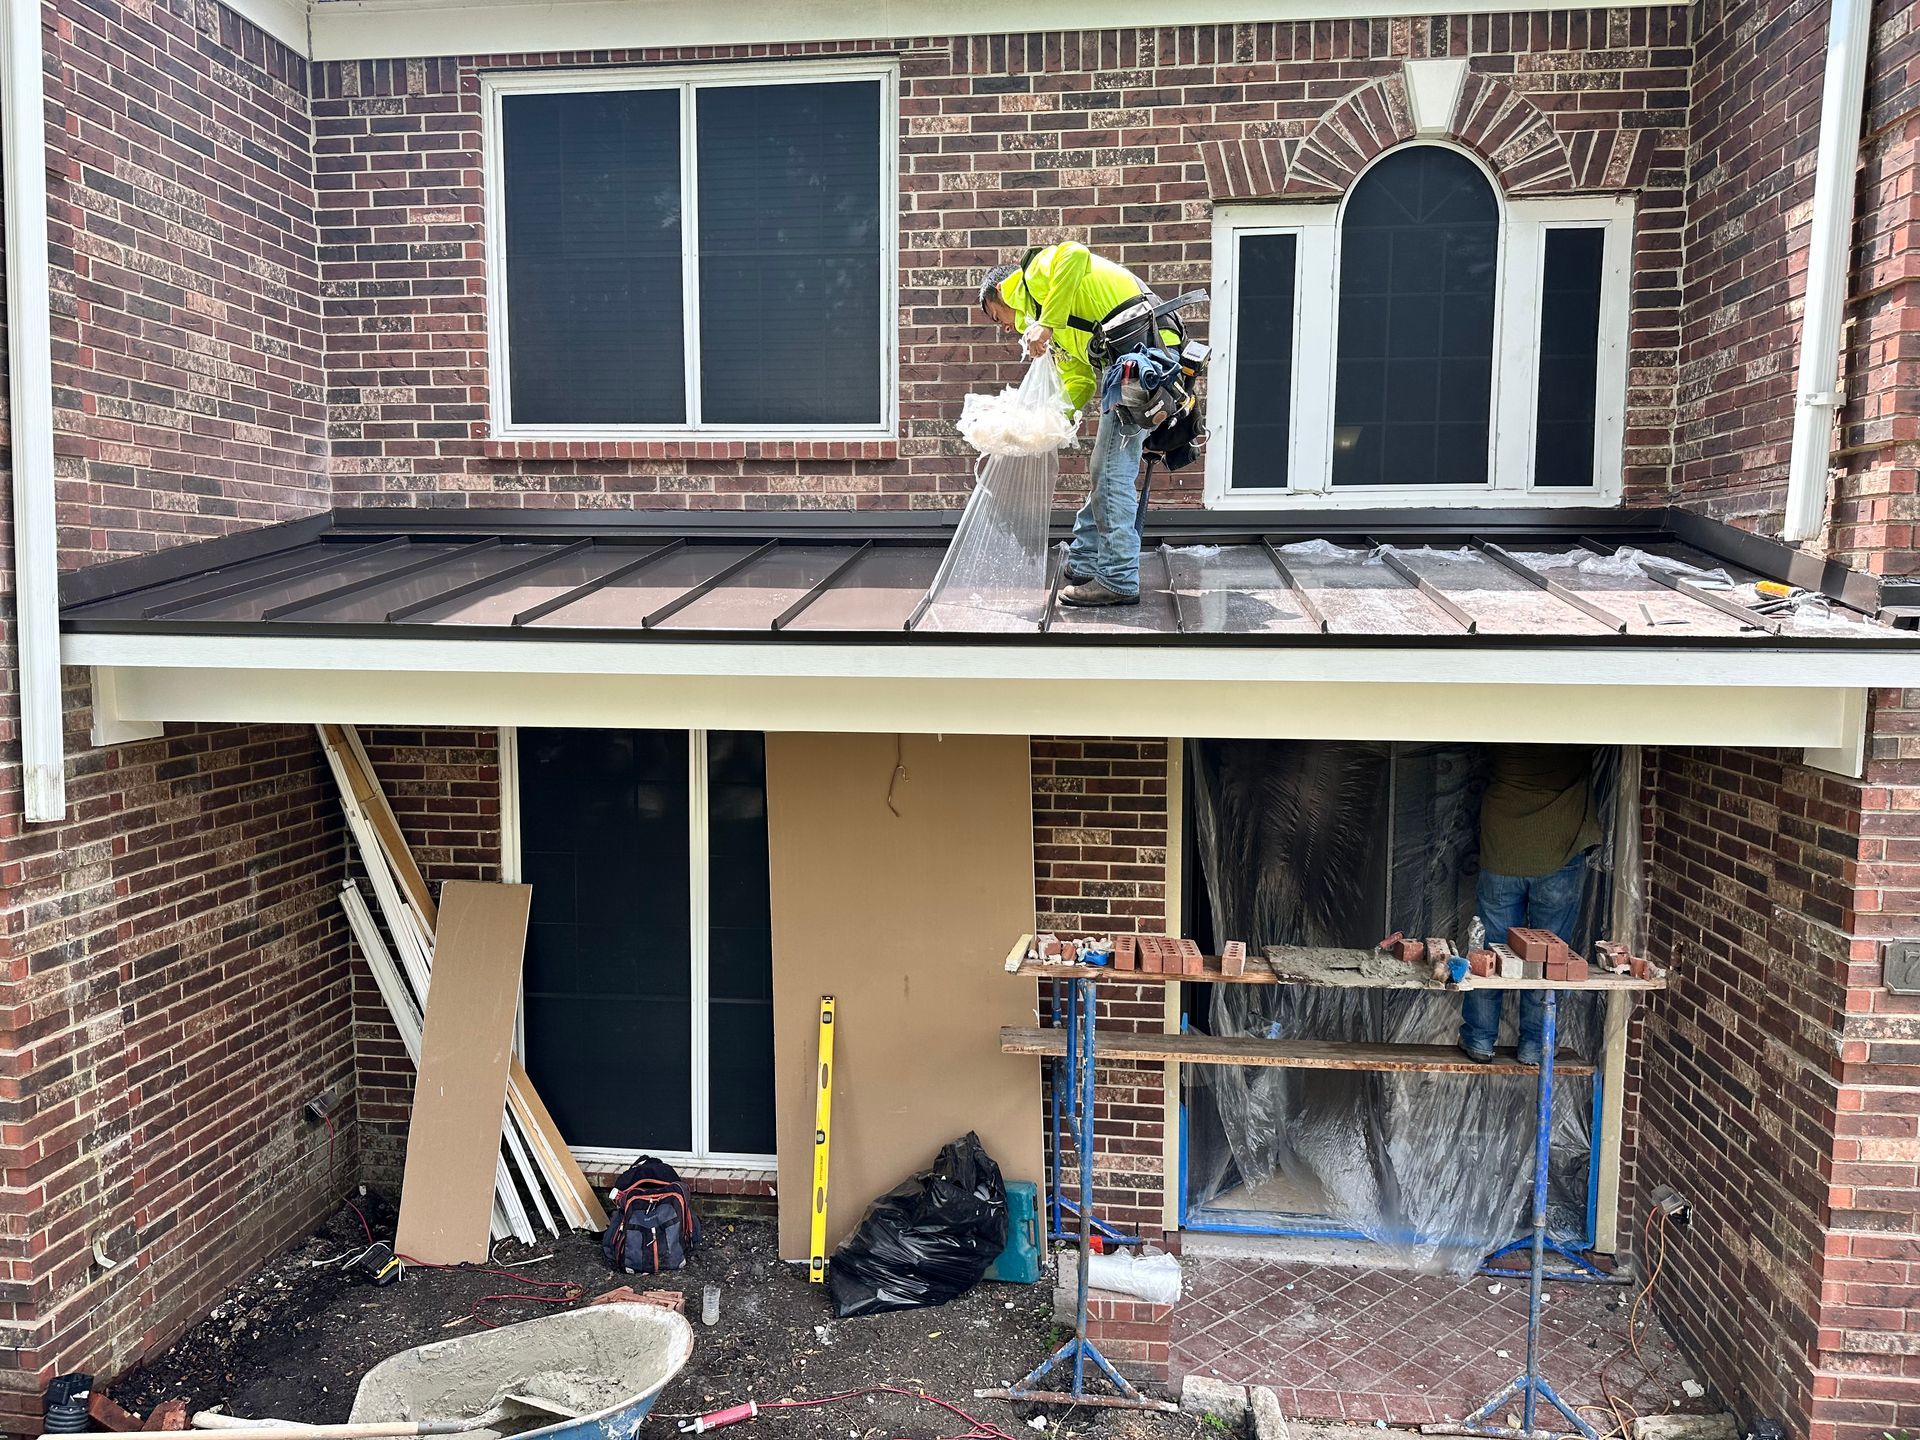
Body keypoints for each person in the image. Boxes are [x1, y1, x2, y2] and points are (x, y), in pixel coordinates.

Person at [977, 243, 1172, 608]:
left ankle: (1118, 578)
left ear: (1002, 292)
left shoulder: (1034, 277)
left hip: (1146, 355)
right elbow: (1080, 381)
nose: (1002, 326)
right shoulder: (1055, 326)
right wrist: (1045, 426)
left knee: (1110, 469)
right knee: (1106, 465)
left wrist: (1047, 323)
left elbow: (1075, 254)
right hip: (1128, 365)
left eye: (994, 315)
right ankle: (1085, 560)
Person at [1459, 744, 1601, 1066]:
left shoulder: (1508, 723)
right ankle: (1535, 1045)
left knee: (1489, 953)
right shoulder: (1578, 727)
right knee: (1548, 957)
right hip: (1559, 850)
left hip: (1503, 848)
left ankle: (1480, 1038)